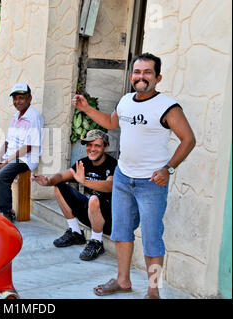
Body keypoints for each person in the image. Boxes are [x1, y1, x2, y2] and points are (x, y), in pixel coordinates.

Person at [73, 53, 196, 299]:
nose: (141, 77)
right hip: (123, 178)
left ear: (157, 77)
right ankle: (123, 280)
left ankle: (153, 290)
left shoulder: (167, 107)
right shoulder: (126, 100)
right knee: (121, 231)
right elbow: (110, 122)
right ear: (131, 77)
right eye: (137, 72)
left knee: (151, 237)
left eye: (147, 72)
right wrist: (86, 108)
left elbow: (188, 139)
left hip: (151, 183)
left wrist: (168, 169)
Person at [31, 129, 117, 261]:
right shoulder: (83, 163)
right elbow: (61, 176)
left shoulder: (113, 164)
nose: (92, 149)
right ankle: (76, 232)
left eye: (97, 145)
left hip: (109, 218)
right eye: (89, 145)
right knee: (59, 186)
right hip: (90, 213)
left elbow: (109, 186)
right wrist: (48, 181)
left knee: (94, 199)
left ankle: (96, 242)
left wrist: (85, 181)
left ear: (106, 147)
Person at [0, 82, 44, 222]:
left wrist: (7, 161)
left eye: (21, 98)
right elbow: (7, 142)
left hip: (26, 158)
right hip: (11, 156)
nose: (17, 102)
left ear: (29, 99)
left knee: (1, 176)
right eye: (15, 98)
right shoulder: (16, 117)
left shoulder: (34, 118)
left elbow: (29, 147)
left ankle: (7, 212)